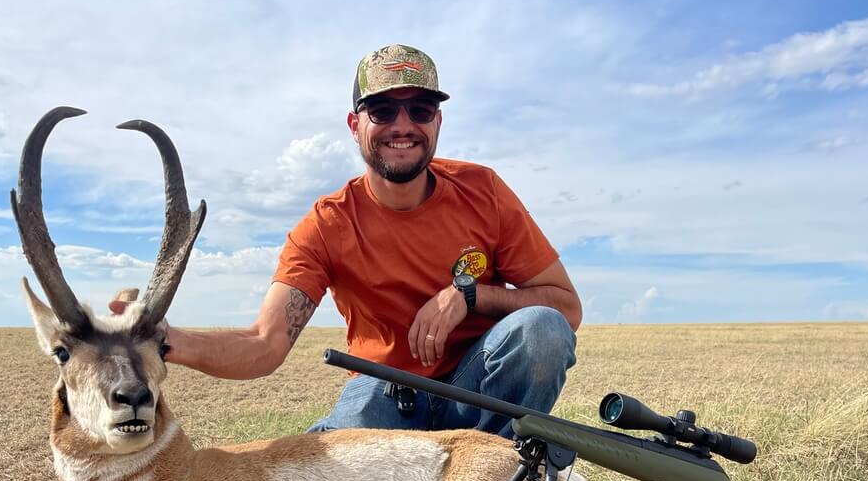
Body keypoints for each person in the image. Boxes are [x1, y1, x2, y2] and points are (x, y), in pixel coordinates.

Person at [113, 43, 582, 437]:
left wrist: (469, 295)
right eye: (382, 110)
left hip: (478, 397)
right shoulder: (327, 224)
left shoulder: (483, 191)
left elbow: (566, 308)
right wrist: (160, 339)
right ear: (355, 124)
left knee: (541, 330)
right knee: (326, 471)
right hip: (385, 397)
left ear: (437, 122)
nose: (403, 125)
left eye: (420, 109)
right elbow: (264, 343)